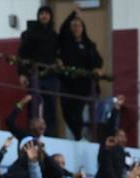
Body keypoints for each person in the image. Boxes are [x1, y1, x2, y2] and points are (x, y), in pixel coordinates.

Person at [57, 8, 103, 140]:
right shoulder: (65, 43)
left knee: (87, 118)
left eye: (78, 25)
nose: (76, 28)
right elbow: (62, 28)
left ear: (83, 28)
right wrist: (72, 14)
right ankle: (73, 139)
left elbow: (98, 60)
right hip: (70, 86)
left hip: (87, 87)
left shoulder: (89, 45)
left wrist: (98, 68)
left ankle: (88, 140)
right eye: (73, 25)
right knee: (71, 116)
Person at [17, 5, 59, 134]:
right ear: (38, 16)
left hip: (50, 75)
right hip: (34, 74)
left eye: (47, 13)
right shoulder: (30, 33)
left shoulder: (54, 35)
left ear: (50, 16)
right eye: (42, 13)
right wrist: (22, 73)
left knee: (51, 105)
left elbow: (57, 53)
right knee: (32, 104)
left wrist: (58, 60)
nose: (44, 16)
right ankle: (32, 132)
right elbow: (21, 55)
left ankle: (51, 133)